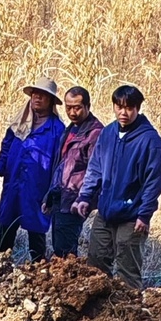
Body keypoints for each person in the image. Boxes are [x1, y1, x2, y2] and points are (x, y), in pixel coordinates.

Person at [76, 85, 161, 285]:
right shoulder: (108, 133)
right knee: (95, 268)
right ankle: (100, 314)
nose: (123, 112)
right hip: (106, 212)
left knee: (128, 273)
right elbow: (95, 168)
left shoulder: (150, 140)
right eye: (119, 107)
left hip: (132, 216)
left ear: (138, 108)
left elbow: (154, 181)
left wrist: (145, 214)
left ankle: (130, 314)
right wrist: (85, 197)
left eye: (129, 108)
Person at [0, 76, 63, 262]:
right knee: (7, 226)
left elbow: (60, 163)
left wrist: (54, 191)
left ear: (51, 101)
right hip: (14, 183)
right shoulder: (19, 124)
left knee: (36, 230)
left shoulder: (57, 130)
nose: (37, 98)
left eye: (43, 96)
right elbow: (6, 148)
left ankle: (38, 271)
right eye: (35, 94)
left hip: (38, 187)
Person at [48, 85, 103, 257]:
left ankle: (68, 282)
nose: (72, 112)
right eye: (68, 107)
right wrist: (48, 196)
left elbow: (96, 171)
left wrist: (83, 198)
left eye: (77, 107)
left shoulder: (95, 133)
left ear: (88, 106)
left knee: (65, 252)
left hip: (75, 199)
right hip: (61, 196)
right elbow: (61, 165)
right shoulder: (70, 129)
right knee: (59, 246)